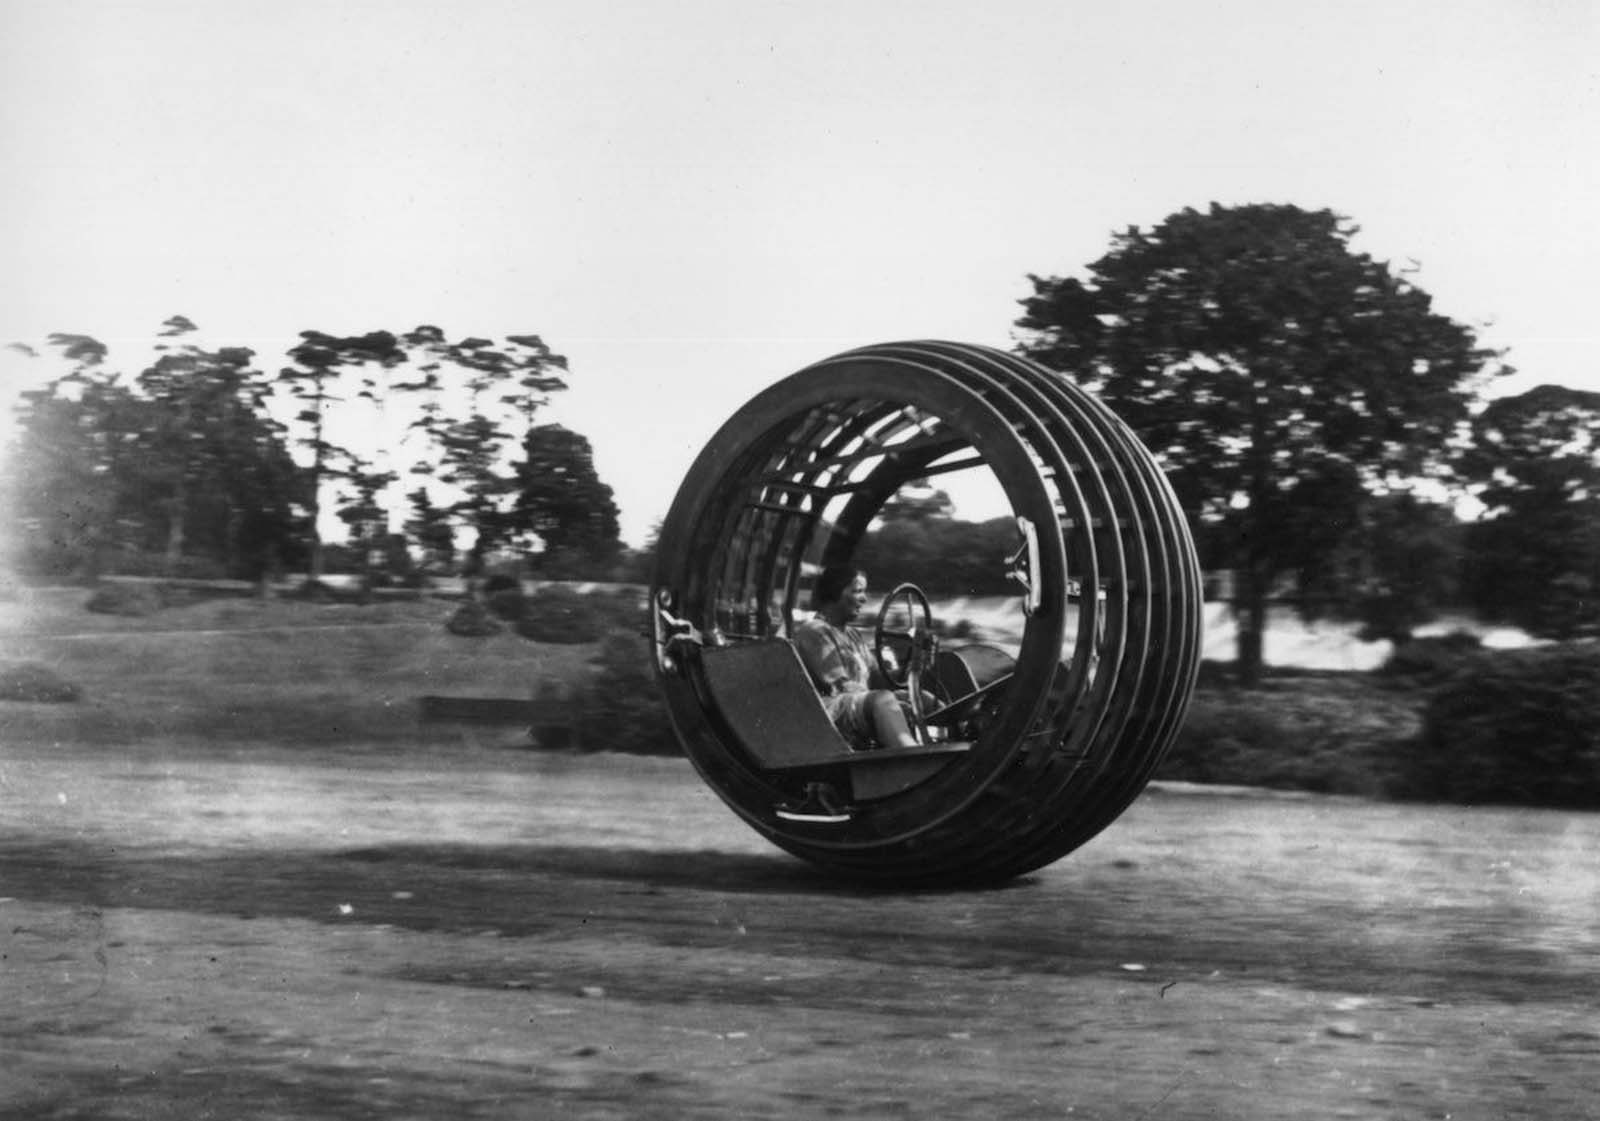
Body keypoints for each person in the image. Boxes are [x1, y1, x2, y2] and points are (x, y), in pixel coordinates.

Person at [793, 566, 923, 750]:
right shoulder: (814, 631)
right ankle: (912, 757)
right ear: (835, 591)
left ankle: (968, 724)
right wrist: (887, 701)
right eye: (857, 591)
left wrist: (912, 667)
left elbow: (881, 679)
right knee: (883, 700)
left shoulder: (853, 635)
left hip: (854, 704)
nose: (864, 598)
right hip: (826, 713)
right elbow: (840, 686)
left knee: (918, 697)